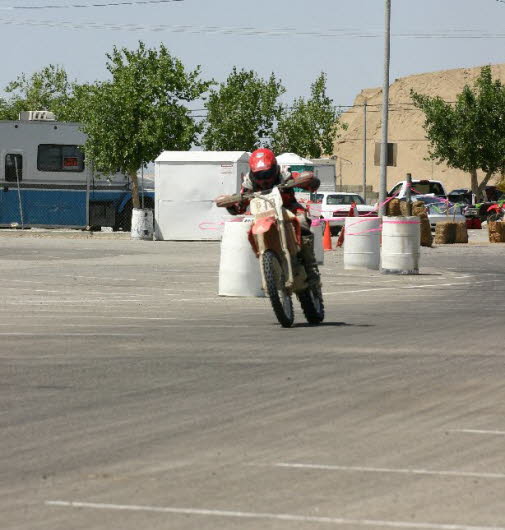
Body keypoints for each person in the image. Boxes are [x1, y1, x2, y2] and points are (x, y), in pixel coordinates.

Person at [217, 148, 321, 287]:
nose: (264, 178)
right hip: (263, 215)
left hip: (288, 208)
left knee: (302, 221)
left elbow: (304, 180)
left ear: (274, 168)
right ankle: (267, 265)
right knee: (249, 229)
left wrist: (308, 180)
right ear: (253, 172)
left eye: (267, 173)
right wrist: (231, 204)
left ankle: (310, 267)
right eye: (260, 174)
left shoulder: (284, 175)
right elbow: (240, 206)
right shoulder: (249, 183)